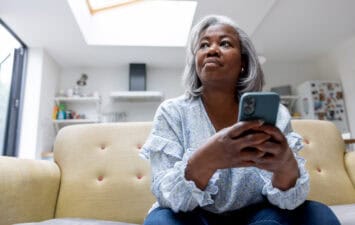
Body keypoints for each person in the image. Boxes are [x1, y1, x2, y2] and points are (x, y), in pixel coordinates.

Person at [140, 15, 340, 225]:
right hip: (194, 216)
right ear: (196, 63)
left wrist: (285, 165)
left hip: (261, 214)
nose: (212, 50)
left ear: (243, 63)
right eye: (203, 45)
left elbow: (288, 200)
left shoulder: (278, 114)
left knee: (319, 215)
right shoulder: (172, 112)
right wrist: (208, 158)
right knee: (160, 221)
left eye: (225, 43)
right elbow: (167, 194)